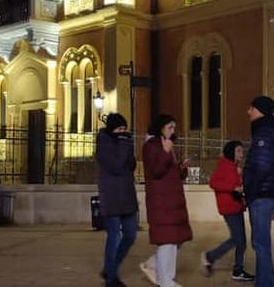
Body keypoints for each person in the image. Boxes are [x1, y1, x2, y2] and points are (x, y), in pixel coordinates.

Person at [140, 114, 192, 287]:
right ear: (160, 127)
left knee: (177, 238)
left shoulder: (167, 145)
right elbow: (156, 171)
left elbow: (170, 171)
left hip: (172, 200)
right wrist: (165, 151)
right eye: (170, 127)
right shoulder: (151, 146)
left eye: (174, 127)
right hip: (161, 202)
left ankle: (154, 266)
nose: (173, 131)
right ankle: (165, 281)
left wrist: (182, 168)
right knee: (167, 241)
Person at [201, 140, 255, 282]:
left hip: (236, 207)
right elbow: (213, 182)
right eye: (238, 150)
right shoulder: (225, 165)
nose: (241, 153)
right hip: (229, 208)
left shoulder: (234, 167)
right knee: (237, 239)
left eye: (241, 150)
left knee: (241, 241)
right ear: (231, 152)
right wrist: (232, 188)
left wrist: (240, 178)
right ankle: (210, 256)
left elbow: (237, 186)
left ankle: (238, 270)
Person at [243, 95, 274, 287]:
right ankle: (266, 281)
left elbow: (261, 166)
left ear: (260, 110)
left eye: (251, 108)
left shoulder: (264, 133)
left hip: (261, 196)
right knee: (260, 243)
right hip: (262, 194)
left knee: (260, 244)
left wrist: (249, 191)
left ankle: (267, 284)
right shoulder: (264, 131)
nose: (248, 111)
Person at [97, 112, 138, 287]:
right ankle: (111, 278)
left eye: (124, 129)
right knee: (114, 237)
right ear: (112, 129)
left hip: (127, 196)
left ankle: (109, 268)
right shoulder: (104, 143)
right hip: (111, 196)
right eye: (119, 129)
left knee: (130, 235)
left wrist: (127, 146)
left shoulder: (124, 142)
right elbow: (115, 166)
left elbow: (131, 164)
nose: (123, 132)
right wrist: (124, 143)